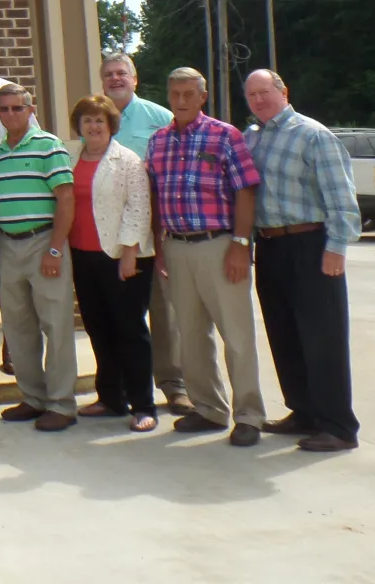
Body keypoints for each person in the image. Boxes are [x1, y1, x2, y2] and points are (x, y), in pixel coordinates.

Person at [243, 69, 361, 452]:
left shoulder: (313, 135)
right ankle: (304, 411)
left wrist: (336, 247)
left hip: (312, 243)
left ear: (283, 92)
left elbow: (341, 196)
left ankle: (338, 425)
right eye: (251, 95)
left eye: (264, 92)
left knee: (322, 336)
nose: (258, 100)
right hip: (270, 245)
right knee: (284, 332)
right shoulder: (252, 139)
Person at [146, 67, 265, 447]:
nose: (180, 101)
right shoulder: (158, 141)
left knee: (237, 334)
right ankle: (209, 409)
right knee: (191, 336)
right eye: (175, 93)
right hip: (177, 246)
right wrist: (160, 246)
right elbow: (155, 198)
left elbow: (246, 191)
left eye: (188, 94)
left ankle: (249, 415)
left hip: (220, 244)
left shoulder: (224, 135)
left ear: (202, 96)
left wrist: (240, 245)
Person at [102, 51, 188, 415]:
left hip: (157, 230)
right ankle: (122, 385)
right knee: (120, 315)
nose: (116, 78)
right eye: (109, 74)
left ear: (135, 79)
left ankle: (173, 384)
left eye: (122, 73)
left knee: (163, 312)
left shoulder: (159, 118)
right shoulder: (95, 118)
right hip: (112, 235)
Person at [0, 83, 78, 432]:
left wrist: (55, 248)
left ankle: (61, 403)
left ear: (30, 108)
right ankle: (32, 397)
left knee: (55, 325)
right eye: (4, 109)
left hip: (44, 243)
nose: (10, 115)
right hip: (8, 245)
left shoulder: (49, 146)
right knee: (18, 325)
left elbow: (66, 199)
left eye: (16, 108)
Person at [67, 94, 157, 432]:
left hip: (120, 257)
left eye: (99, 121)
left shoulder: (127, 160)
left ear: (111, 126)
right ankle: (110, 398)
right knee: (99, 329)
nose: (92, 126)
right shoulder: (71, 156)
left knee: (130, 331)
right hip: (82, 255)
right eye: (87, 120)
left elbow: (139, 207)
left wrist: (130, 251)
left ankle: (143, 405)